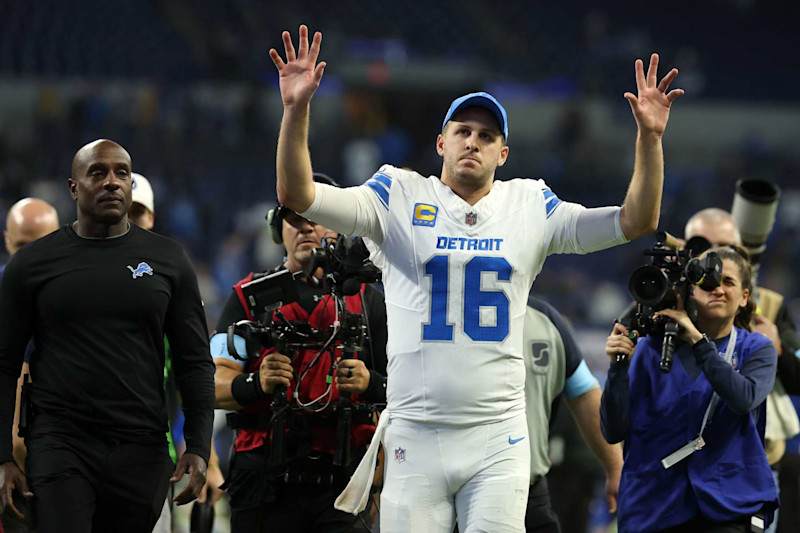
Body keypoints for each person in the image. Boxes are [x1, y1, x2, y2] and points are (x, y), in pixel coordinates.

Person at [270, 25, 682, 532]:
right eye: (463, 131)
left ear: (503, 155)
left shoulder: (530, 203)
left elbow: (635, 220)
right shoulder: (396, 194)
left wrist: (651, 138)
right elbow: (298, 195)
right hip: (416, 433)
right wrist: (296, 110)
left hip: (497, 435)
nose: (473, 142)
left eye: (487, 136)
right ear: (441, 141)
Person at [0, 139, 215, 532]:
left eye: (122, 173)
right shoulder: (32, 264)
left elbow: (195, 362)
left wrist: (200, 447)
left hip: (142, 449)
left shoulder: (169, 260)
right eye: (97, 173)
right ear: (73, 187)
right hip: (60, 445)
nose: (112, 182)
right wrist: (2, 456)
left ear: (132, 184)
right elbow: (4, 364)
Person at [212, 173, 388, 533]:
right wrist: (255, 383)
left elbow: (407, 391)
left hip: (343, 485)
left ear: (341, 228)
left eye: (318, 217)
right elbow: (213, 383)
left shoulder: (371, 303)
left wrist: (370, 383)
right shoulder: (247, 298)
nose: (307, 228)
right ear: (279, 232)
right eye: (295, 219)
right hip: (263, 483)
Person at [601, 246, 779, 532]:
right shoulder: (649, 349)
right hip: (655, 506)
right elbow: (613, 430)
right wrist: (618, 368)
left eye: (729, 282)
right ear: (691, 290)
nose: (718, 289)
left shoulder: (756, 349)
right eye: (708, 282)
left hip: (728, 505)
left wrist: (698, 341)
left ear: (745, 298)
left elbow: (743, 399)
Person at [684, 208, 800, 533]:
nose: (713, 255)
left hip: (749, 463)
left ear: (740, 251)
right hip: (679, 466)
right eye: (701, 245)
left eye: (723, 245)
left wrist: (778, 348)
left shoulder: (772, 305)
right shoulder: (669, 301)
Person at [127, 172, 226, 533]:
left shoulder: (172, 287)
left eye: (137, 213)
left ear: (151, 219)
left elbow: (192, 377)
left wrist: (208, 458)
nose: (129, 221)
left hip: (153, 462)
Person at [522, 295, 622, 532]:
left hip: (534, 481)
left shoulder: (546, 319)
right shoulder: (543, 317)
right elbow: (585, 393)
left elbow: (585, 392)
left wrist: (616, 468)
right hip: (537, 475)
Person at [0, 198, 59, 533]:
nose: (29, 257)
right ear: (6, 240)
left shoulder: (84, 297)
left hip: (69, 461)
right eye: (21, 246)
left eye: (39, 246)